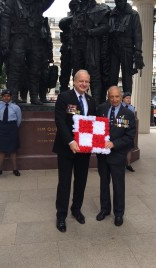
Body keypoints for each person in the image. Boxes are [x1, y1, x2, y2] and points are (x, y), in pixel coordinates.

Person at [1, 0, 55, 105]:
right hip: (18, 37)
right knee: (15, 68)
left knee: (35, 69)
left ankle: (34, 97)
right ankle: (13, 96)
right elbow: (6, 21)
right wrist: (5, 42)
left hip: (35, 39)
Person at [53, 70, 96, 232]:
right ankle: (61, 215)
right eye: (81, 81)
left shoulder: (91, 101)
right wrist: (70, 141)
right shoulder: (64, 97)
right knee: (64, 182)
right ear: (74, 81)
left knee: (81, 181)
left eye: (87, 81)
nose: (84, 84)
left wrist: (97, 142)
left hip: (84, 149)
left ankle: (76, 209)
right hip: (66, 148)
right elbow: (60, 121)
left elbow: (93, 124)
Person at [96, 86, 136, 226]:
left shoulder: (128, 114)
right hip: (102, 155)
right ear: (108, 96)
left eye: (117, 97)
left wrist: (114, 143)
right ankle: (105, 209)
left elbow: (130, 137)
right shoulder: (101, 109)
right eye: (111, 96)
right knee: (103, 184)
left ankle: (119, 213)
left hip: (118, 155)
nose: (114, 99)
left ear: (121, 96)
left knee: (118, 185)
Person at [71, 0, 110, 105]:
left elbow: (106, 27)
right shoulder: (77, 10)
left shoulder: (100, 9)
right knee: (78, 74)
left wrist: (91, 32)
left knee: (94, 75)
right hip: (78, 46)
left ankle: (97, 104)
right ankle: (78, 103)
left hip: (91, 45)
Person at [109, 0, 144, 93]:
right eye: (116, 2)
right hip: (113, 48)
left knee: (127, 76)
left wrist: (138, 51)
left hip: (127, 48)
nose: (118, 4)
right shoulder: (112, 14)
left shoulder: (133, 14)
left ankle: (127, 99)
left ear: (125, 0)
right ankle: (112, 97)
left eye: (120, 1)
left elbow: (138, 34)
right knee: (112, 75)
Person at [0, 89, 22, 177]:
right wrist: (2, 126)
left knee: (13, 150)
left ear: (11, 97)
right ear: (2, 97)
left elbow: (19, 119)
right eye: (4, 96)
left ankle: (15, 169)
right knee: (2, 150)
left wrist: (13, 127)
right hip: (2, 128)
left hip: (12, 128)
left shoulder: (16, 107)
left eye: (8, 96)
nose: (6, 98)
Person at [59, 0, 80, 93]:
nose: (74, 7)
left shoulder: (82, 20)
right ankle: (63, 91)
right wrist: (75, 16)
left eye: (76, 5)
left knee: (77, 73)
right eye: (72, 6)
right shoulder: (68, 20)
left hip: (78, 51)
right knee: (64, 73)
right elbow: (62, 23)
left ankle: (77, 92)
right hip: (67, 51)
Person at [122, 92, 136, 172]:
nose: (128, 100)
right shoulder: (119, 107)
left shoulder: (132, 108)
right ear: (123, 99)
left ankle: (128, 164)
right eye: (127, 98)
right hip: (122, 130)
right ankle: (122, 164)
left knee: (129, 148)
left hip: (129, 130)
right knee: (122, 149)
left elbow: (133, 120)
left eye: (129, 98)